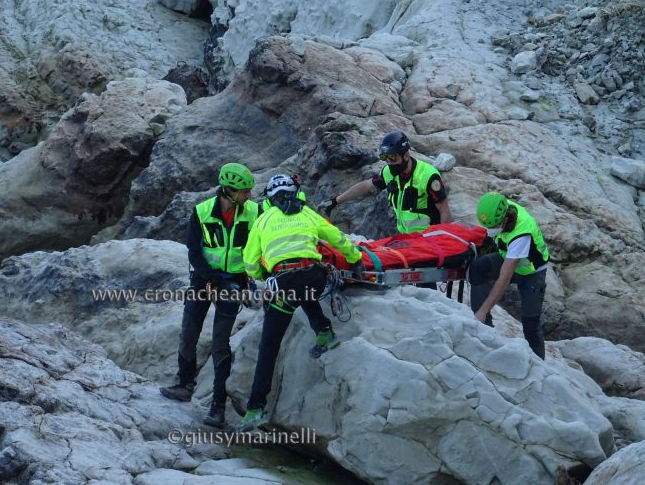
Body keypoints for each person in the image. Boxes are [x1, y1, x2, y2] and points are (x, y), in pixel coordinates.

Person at [237, 174, 364, 431]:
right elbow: (337, 237)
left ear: (270, 199)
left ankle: (255, 409)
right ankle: (324, 331)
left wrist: (265, 275)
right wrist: (356, 258)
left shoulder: (263, 220)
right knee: (304, 290)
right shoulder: (307, 213)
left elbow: (250, 262)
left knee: (269, 347)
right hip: (314, 279)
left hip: (285, 284)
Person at [160, 163, 261, 427]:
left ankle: (218, 406)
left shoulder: (255, 212)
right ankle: (184, 384)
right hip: (204, 280)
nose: (249, 196)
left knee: (220, 343)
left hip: (234, 282)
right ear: (229, 191)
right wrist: (214, 278)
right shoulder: (202, 212)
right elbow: (194, 252)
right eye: (244, 191)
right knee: (189, 331)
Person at [318, 130, 453, 233]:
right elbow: (366, 186)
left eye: (392, 157)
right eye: (385, 157)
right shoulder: (388, 172)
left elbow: (444, 211)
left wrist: (442, 242)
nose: (389, 162)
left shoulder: (428, 176)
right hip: (406, 238)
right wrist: (335, 201)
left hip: (428, 239)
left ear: (406, 155)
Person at [470, 192, 550, 359]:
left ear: (505, 219)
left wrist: (483, 310)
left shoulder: (522, 233)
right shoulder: (498, 207)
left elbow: (504, 278)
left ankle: (539, 364)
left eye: (494, 226)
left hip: (531, 271)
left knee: (530, 324)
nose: (491, 230)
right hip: (507, 255)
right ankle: (485, 328)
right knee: (478, 267)